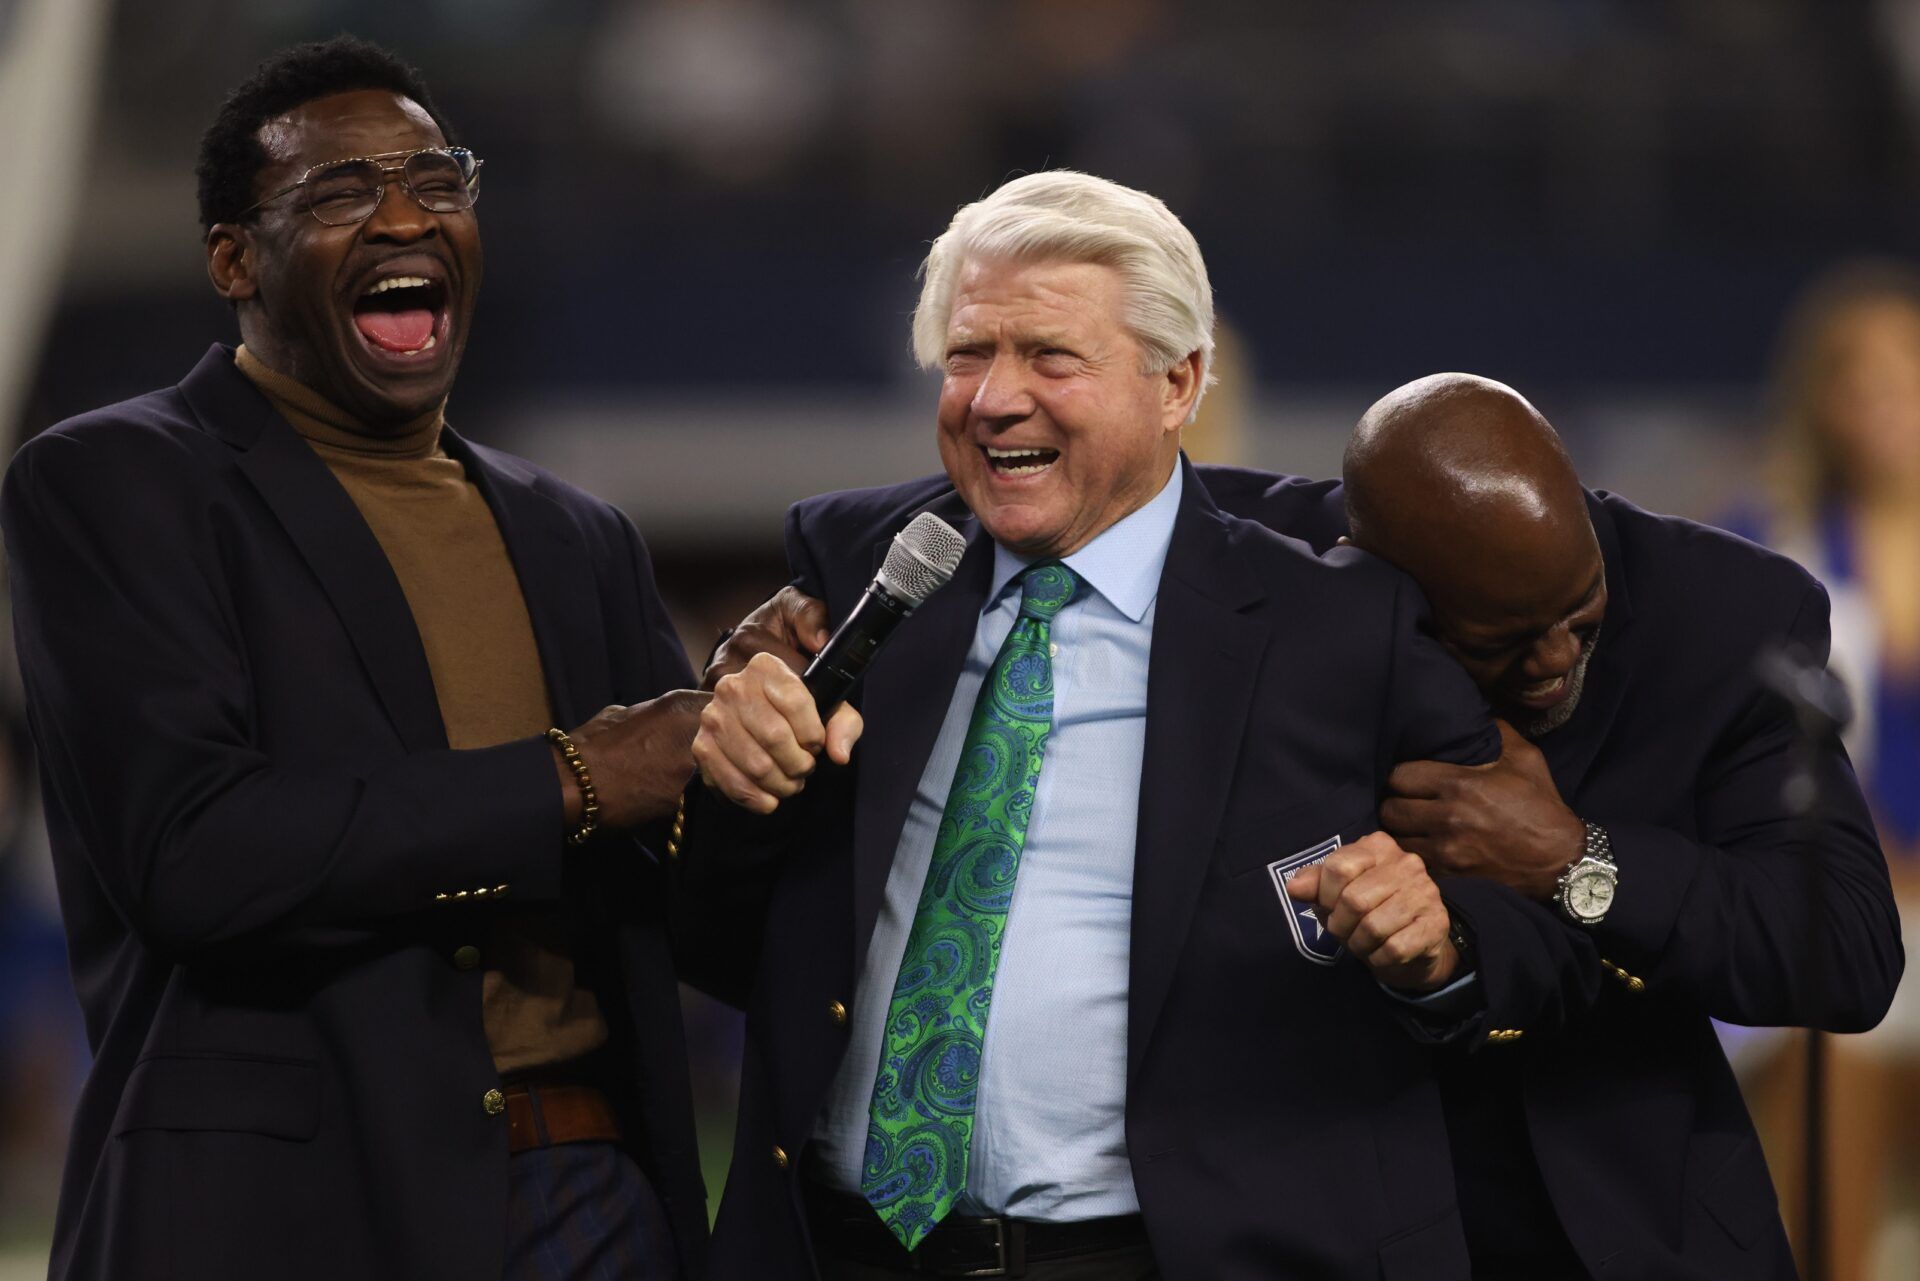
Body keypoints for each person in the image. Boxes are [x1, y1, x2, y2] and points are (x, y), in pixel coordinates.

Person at [675, 172, 1601, 1280]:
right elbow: (728, 939)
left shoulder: (1340, 631)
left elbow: (1545, 947)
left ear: (1180, 383)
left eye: (1050, 357)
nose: (993, 399)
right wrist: (729, 791)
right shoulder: (863, 571)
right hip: (847, 1251)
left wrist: (1439, 947)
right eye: (970, 354)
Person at [2, 37, 709, 1281]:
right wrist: (577, 778)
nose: (403, 217)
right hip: (281, 1211)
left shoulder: (578, 536)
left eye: (438, 184)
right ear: (234, 258)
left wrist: (759, 727)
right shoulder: (117, 481)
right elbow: (197, 858)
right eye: (338, 194)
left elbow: (681, 897)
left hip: (588, 1189)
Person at [1201, 373, 1905, 1279]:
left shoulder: (1727, 618)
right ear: (1370, 574)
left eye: (1581, 613)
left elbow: (1844, 952)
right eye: (1500, 639)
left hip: (1625, 1221)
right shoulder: (1269, 567)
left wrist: (1574, 858)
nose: (1554, 661)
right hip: (1324, 1208)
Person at [1722, 261, 1920, 1280]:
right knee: (1834, 1042)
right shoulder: (1768, 553)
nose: (1883, 396)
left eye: (1906, 368)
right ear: (1820, 400)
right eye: (1857, 374)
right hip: (1840, 904)